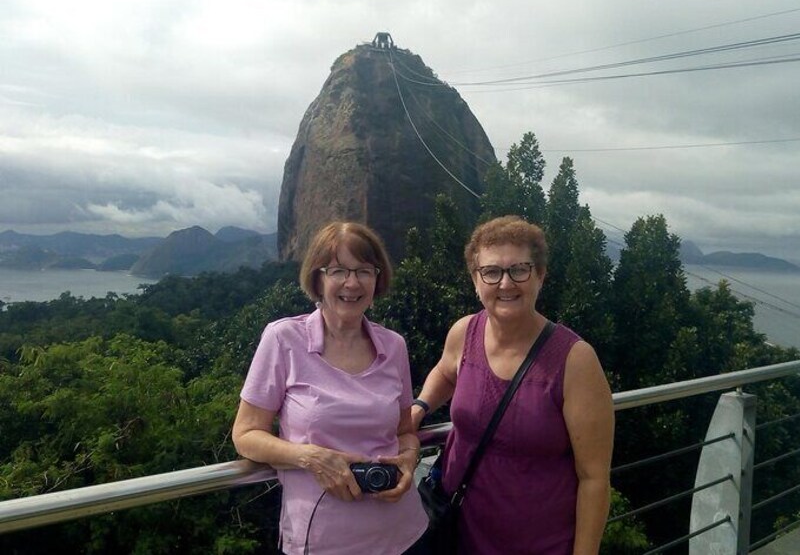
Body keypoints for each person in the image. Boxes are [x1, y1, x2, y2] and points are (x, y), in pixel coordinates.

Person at [411, 216, 615, 554]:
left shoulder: (575, 360)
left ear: (540, 275)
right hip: (459, 531)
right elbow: (446, 372)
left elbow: (594, 479)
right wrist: (420, 407)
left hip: (538, 542)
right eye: (491, 272)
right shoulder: (465, 332)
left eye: (519, 270)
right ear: (475, 280)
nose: (505, 284)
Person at [232, 222, 429, 555]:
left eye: (364, 271)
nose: (352, 283)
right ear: (318, 278)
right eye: (338, 270)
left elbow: (404, 431)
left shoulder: (393, 346)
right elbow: (246, 434)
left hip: (404, 533)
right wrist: (312, 457)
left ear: (377, 279)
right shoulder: (283, 339)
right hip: (322, 540)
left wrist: (409, 461)